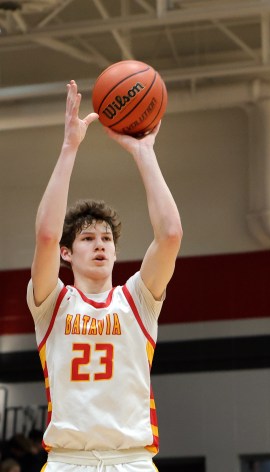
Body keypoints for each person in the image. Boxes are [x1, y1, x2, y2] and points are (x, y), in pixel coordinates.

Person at [26, 80, 183, 471]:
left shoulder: (137, 300)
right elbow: (46, 235)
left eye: (107, 238)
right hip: (68, 461)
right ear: (67, 253)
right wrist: (69, 147)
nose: (100, 244)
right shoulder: (53, 302)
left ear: (115, 250)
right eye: (87, 238)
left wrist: (145, 153)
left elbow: (170, 235)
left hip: (131, 460)